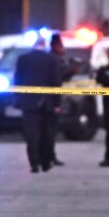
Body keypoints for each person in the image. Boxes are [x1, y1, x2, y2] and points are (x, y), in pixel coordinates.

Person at [14, 37, 62, 173]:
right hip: (47, 103)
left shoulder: (23, 59)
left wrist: (18, 99)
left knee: (31, 133)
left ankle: (34, 162)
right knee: (46, 132)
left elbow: (17, 80)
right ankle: (46, 162)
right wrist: (57, 103)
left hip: (28, 102)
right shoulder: (52, 60)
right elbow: (56, 83)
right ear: (44, 45)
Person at [48, 33, 69, 167]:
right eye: (61, 45)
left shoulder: (50, 58)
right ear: (56, 46)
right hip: (51, 100)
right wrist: (56, 104)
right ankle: (49, 156)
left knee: (48, 130)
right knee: (50, 130)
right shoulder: (55, 60)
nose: (63, 48)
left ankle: (48, 155)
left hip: (45, 99)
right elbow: (57, 81)